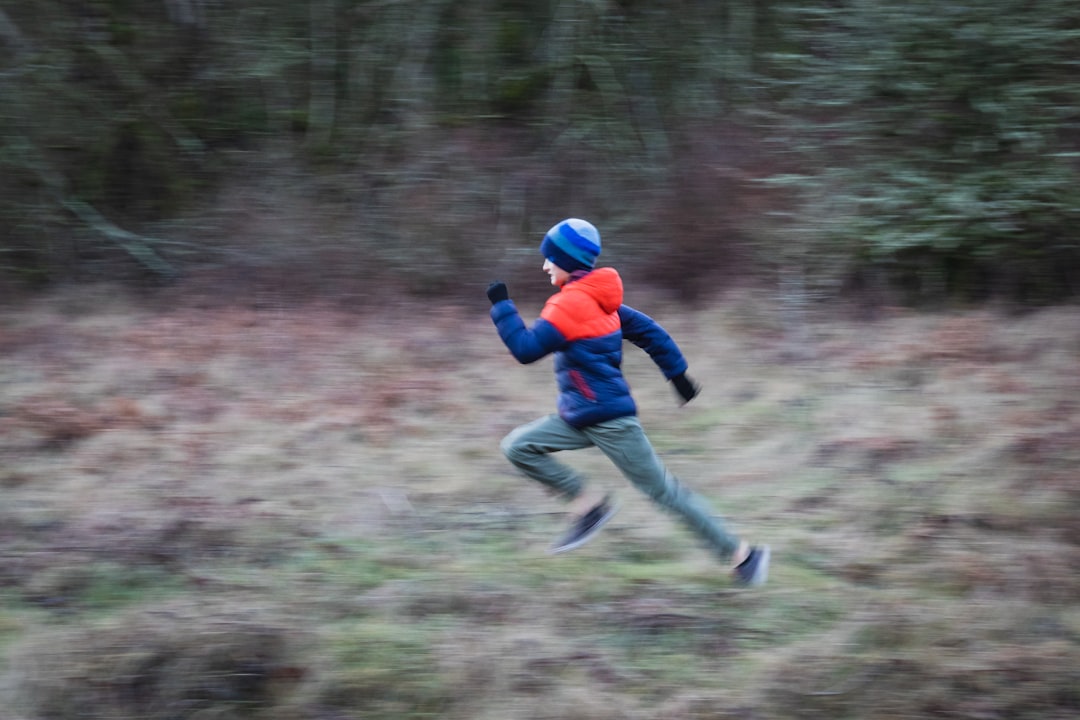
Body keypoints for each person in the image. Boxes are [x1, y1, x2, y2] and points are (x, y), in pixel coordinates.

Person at [486, 218, 769, 586]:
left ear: (567, 261)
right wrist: (678, 376)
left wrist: (502, 306)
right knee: (518, 446)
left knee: (664, 492)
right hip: (579, 416)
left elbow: (525, 349)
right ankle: (589, 505)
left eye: (549, 258)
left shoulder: (571, 303)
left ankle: (743, 556)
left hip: (609, 421)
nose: (544, 266)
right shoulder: (600, 300)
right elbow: (653, 333)